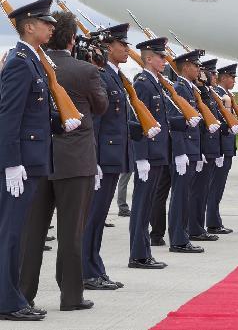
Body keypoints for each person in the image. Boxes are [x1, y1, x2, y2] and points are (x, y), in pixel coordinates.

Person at [20, 10, 108, 313]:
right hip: (76, 160)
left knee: (33, 234)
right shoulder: (85, 70)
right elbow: (101, 106)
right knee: (71, 233)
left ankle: (23, 295)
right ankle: (71, 296)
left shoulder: (33, 63)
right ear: (73, 39)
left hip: (40, 157)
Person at [0, 0, 57, 322]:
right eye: (45, 22)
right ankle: (7, 301)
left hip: (32, 160)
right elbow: (9, 116)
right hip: (20, 164)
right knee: (11, 233)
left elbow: (35, 113)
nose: (51, 27)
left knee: (18, 232)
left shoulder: (34, 60)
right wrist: (10, 162)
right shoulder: (21, 61)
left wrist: (61, 121)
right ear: (29, 26)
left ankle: (14, 296)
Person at [83, 23, 139, 291]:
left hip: (114, 154)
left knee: (99, 217)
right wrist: (93, 159)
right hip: (103, 157)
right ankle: (87, 271)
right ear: (108, 47)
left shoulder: (114, 75)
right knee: (93, 217)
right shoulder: (101, 75)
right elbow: (95, 121)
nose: (126, 49)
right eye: (122, 45)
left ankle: (95, 267)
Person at [130, 37, 182, 270]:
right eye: (161, 57)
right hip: (149, 155)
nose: (164, 60)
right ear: (148, 58)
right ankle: (139, 255)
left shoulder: (156, 83)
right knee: (142, 205)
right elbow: (138, 121)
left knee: (148, 203)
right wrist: (141, 156)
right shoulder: (142, 83)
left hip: (159, 153)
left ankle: (144, 253)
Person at [167, 49, 207, 254]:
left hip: (192, 149)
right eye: (196, 65)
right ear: (186, 67)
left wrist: (197, 151)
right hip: (184, 151)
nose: (199, 69)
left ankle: (181, 237)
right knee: (180, 196)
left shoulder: (190, 89)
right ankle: (177, 239)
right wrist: (181, 152)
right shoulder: (179, 89)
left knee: (185, 196)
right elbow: (176, 123)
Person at [187, 58, 223, 243]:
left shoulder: (206, 92)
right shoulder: (197, 91)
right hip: (202, 148)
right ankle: (194, 228)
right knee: (197, 191)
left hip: (209, 149)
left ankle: (198, 227)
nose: (213, 76)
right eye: (210, 72)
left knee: (202, 191)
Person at [206, 63, 238, 235]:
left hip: (227, 147)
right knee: (215, 186)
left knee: (218, 187)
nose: (234, 80)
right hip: (221, 148)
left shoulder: (226, 95)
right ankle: (212, 221)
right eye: (232, 77)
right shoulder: (218, 95)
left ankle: (214, 219)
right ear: (224, 78)